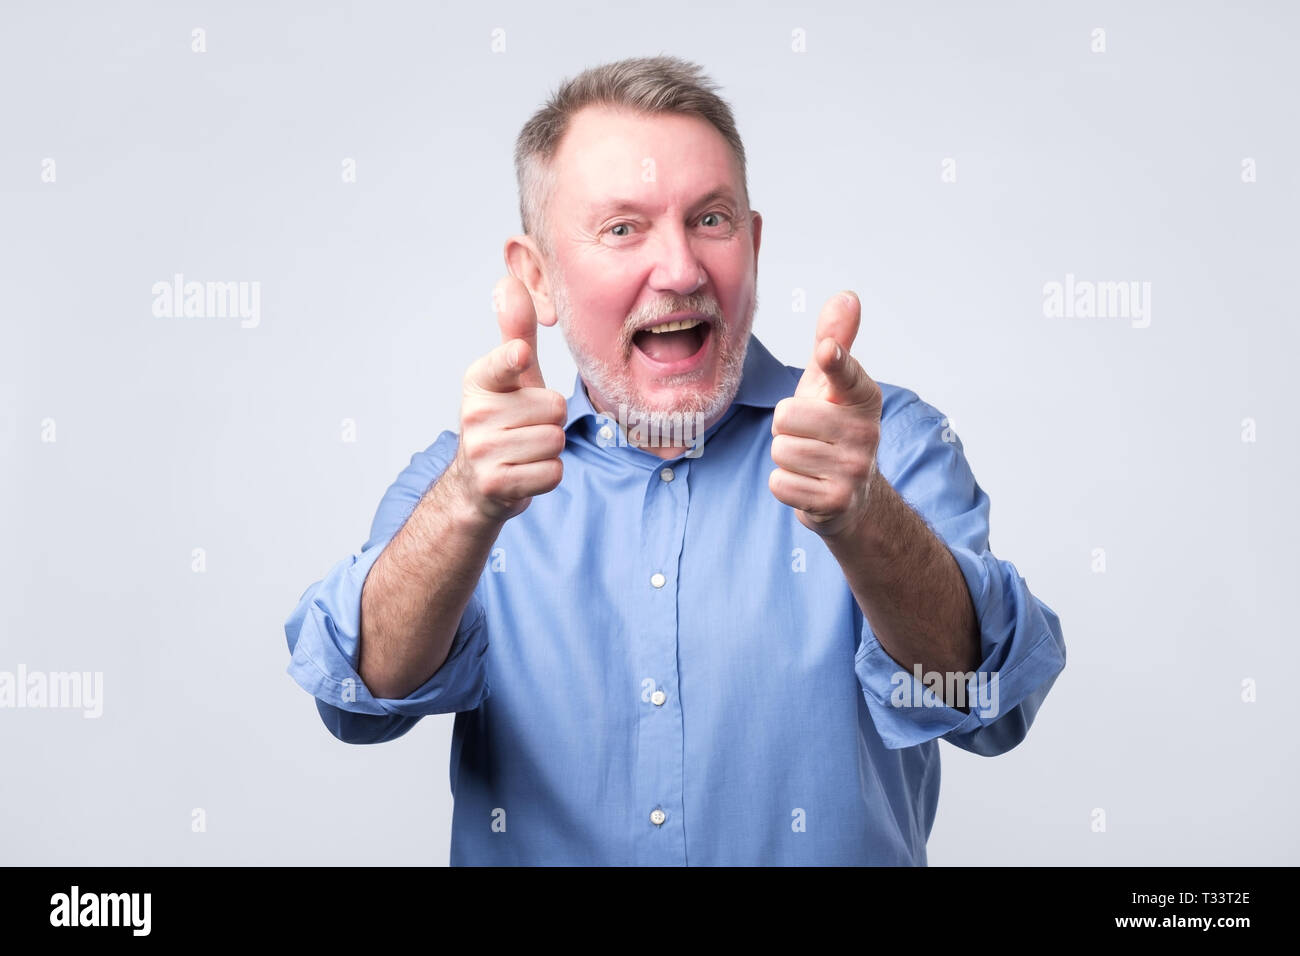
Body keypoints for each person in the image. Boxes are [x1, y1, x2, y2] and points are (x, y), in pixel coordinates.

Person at [284, 55, 1066, 865]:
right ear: (538, 277)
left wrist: (867, 520)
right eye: (623, 228)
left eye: (711, 220)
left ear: (752, 247)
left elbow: (989, 701)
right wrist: (463, 508)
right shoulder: (468, 481)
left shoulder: (886, 446)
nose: (683, 270)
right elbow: (358, 699)